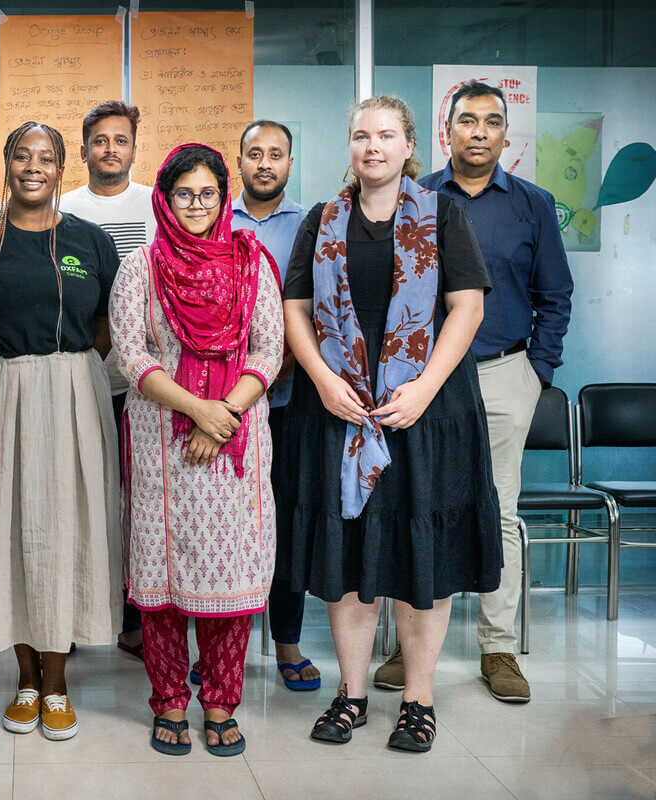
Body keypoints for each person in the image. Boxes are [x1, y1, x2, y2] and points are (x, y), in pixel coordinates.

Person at [279, 96, 502, 753]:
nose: (371, 146)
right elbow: (295, 308)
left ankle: (419, 701)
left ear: (410, 146)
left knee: (420, 558)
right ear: (349, 147)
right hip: (338, 413)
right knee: (347, 559)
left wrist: (423, 389)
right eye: (360, 136)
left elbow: (466, 309)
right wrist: (323, 380)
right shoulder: (321, 222)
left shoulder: (442, 215)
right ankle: (350, 696)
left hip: (425, 417)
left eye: (385, 135)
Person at [373, 81, 574, 705]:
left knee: (500, 511)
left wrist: (536, 372)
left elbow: (555, 297)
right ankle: (412, 648)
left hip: (504, 375)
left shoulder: (533, 205)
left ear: (506, 135)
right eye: (467, 121)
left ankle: (498, 648)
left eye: (491, 122)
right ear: (446, 132)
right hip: (427, 381)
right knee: (420, 505)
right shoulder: (418, 198)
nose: (479, 131)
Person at [0, 121, 122, 741]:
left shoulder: (92, 242)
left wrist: (62, 377)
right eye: (22, 155)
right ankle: (24, 678)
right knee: (6, 529)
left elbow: (106, 327)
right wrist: (7, 378)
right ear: (6, 163)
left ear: (62, 168)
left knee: (65, 532)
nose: (34, 166)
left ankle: (58, 682)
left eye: (46, 157)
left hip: (73, 393)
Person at [110, 144, 283, 757]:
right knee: (162, 586)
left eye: (208, 193)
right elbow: (133, 357)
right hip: (164, 444)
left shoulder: (252, 263)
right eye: (184, 193)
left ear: (223, 196)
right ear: (165, 197)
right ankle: (168, 702)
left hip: (233, 447)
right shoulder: (140, 268)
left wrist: (224, 414)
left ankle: (219, 701)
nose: (197, 205)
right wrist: (196, 410)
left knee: (229, 582)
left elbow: (268, 351)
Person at [59, 100, 157, 660]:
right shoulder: (63, 208)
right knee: (79, 497)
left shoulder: (155, 205)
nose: (110, 150)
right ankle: (68, 616)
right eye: (100, 140)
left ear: (133, 149)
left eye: (120, 140)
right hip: (78, 374)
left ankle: (135, 621)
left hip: (145, 385)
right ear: (84, 149)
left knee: (138, 502)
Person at [230, 119, 319, 692]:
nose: (265, 163)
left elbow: (313, 310)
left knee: (287, 519)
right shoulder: (214, 220)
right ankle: (225, 646)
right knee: (232, 523)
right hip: (226, 402)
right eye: (254, 153)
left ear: (290, 163)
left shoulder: (314, 223)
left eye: (276, 155)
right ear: (238, 161)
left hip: (292, 401)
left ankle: (287, 642)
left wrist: (280, 367)